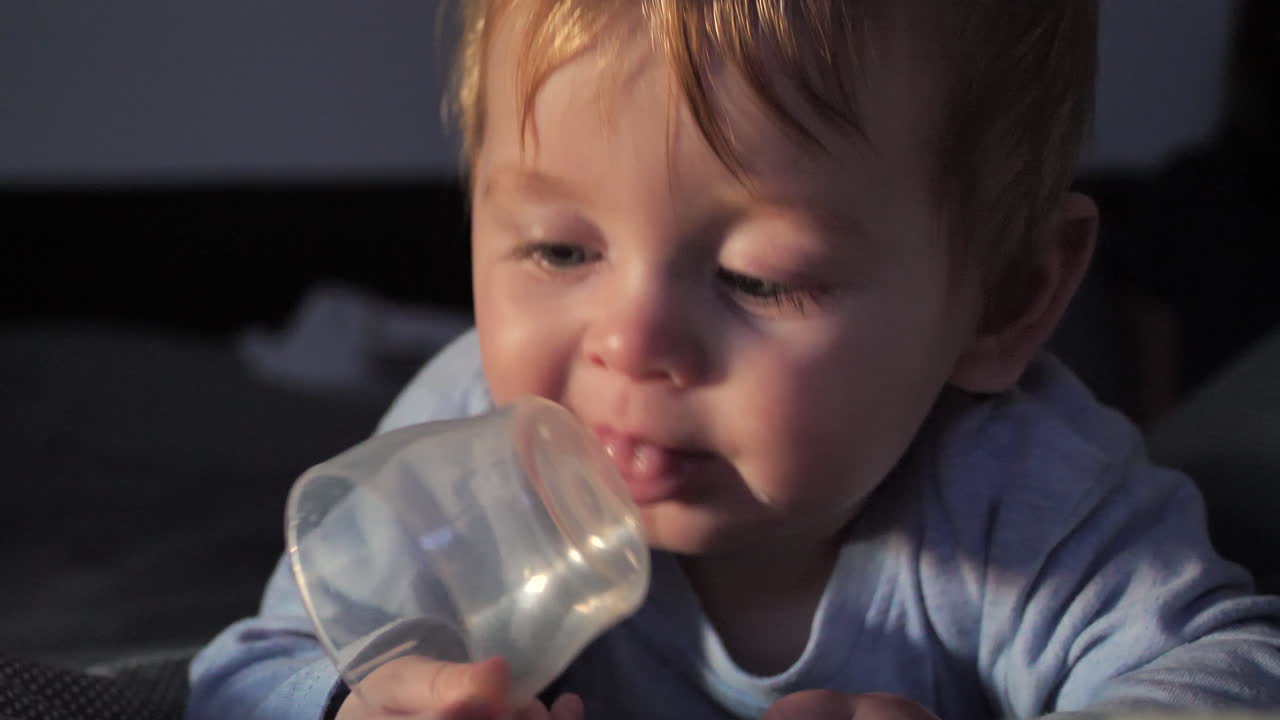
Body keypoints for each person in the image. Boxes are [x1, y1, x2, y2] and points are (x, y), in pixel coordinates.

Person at [186, 1, 1280, 718]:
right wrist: (358, 702)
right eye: (561, 250)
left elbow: (1230, 674)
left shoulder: (1025, 496)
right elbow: (247, 673)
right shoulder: (469, 443)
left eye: (759, 279)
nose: (631, 344)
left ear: (1002, 299)